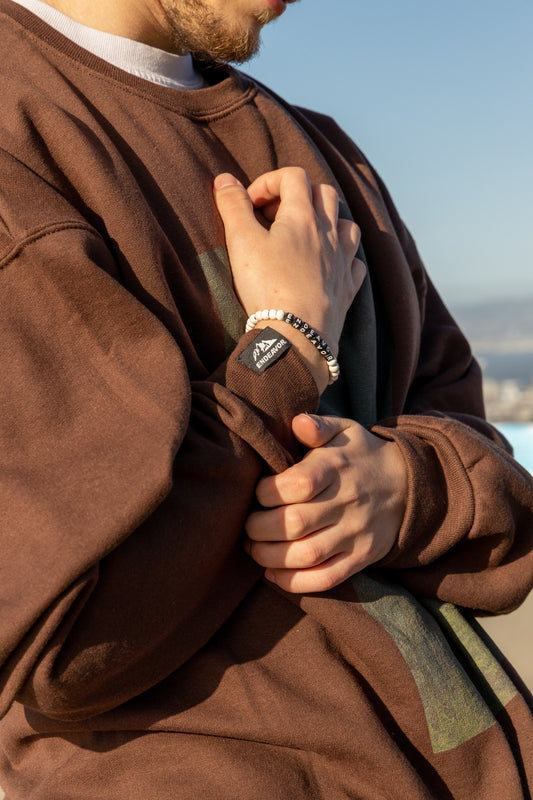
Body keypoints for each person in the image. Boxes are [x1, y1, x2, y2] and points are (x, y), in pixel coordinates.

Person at [0, 0, 532, 797]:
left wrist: (404, 488)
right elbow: (73, 649)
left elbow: (492, 482)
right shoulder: (20, 148)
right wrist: (290, 336)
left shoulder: (321, 150)